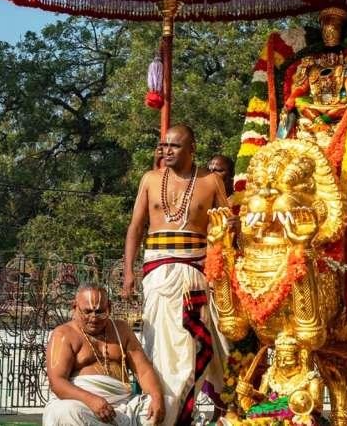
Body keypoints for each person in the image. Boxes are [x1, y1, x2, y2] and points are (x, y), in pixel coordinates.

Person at [123, 123, 227, 425]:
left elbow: (227, 229)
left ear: (191, 148)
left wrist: (230, 228)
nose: (166, 150)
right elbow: (135, 228)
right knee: (160, 348)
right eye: (164, 145)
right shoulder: (150, 179)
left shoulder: (211, 182)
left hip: (195, 273)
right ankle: (160, 409)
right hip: (157, 274)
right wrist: (128, 271)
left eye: (175, 146)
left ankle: (182, 415)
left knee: (190, 347)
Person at [44, 284, 166, 426]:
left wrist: (157, 397)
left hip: (123, 407)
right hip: (83, 406)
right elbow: (57, 383)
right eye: (87, 312)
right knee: (63, 412)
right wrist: (91, 400)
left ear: (109, 307)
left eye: (100, 312)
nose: (94, 318)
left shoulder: (122, 330)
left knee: (165, 404)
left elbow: (143, 371)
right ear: (74, 307)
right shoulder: (63, 334)